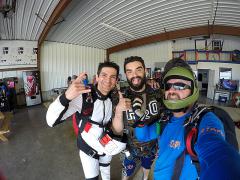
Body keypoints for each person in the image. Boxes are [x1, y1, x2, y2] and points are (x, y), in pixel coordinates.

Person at [135, 58, 240, 180]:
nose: (172, 90)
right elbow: (144, 136)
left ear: (193, 89)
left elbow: (216, 151)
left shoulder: (204, 119)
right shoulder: (164, 119)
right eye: (168, 85)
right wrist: (141, 120)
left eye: (180, 85)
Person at [46, 61, 131, 180]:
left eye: (113, 77)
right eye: (104, 75)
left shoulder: (115, 96)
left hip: (107, 145)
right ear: (97, 77)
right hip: (88, 149)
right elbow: (50, 121)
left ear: (116, 80)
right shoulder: (84, 95)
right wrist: (65, 97)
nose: (108, 80)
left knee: (106, 172)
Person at [121, 56, 163, 180]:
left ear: (145, 70)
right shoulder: (121, 97)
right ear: (126, 74)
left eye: (138, 70)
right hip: (130, 148)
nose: (134, 75)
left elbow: (166, 117)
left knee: (147, 168)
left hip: (151, 147)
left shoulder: (157, 93)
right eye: (129, 71)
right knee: (126, 172)